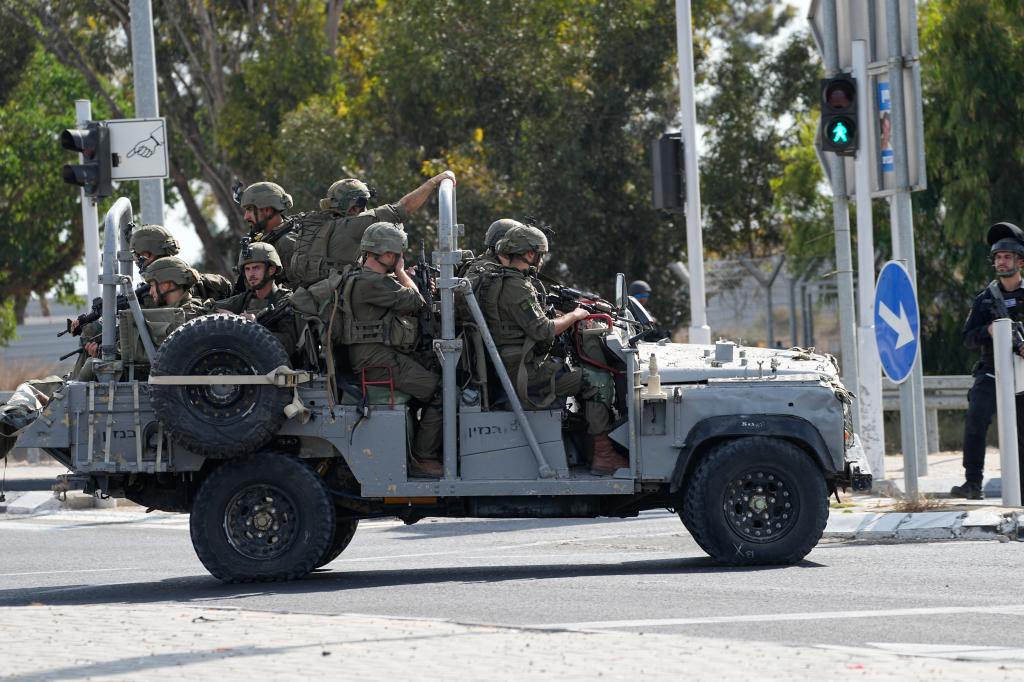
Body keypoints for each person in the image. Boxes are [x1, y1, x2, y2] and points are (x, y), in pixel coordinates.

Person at [482, 225, 628, 475]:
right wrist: (574, 316)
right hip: (525, 371)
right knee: (595, 380)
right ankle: (603, 454)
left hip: (515, 362)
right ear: (528, 254)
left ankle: (589, 444)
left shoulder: (503, 280)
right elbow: (543, 330)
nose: (540, 261)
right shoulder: (516, 287)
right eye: (539, 255)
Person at [342, 222, 443, 478]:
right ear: (388, 254)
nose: (400, 258)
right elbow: (415, 300)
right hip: (377, 361)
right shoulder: (371, 282)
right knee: (443, 391)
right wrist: (402, 273)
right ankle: (423, 457)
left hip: (377, 356)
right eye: (398, 254)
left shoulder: (364, 278)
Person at [289, 170, 456, 288]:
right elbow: (402, 209)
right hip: (336, 300)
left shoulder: (313, 223)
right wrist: (434, 182)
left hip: (309, 297)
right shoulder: (351, 226)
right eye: (362, 204)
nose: (364, 209)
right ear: (354, 207)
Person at [953, 221, 1024, 500]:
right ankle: (972, 483)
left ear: (1020, 260)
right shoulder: (985, 300)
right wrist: (988, 331)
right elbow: (967, 338)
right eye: (998, 257)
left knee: (1022, 433)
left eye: (1007, 256)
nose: (1002, 261)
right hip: (991, 370)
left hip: (1022, 375)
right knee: (975, 421)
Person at [213, 242, 302, 361]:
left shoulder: (286, 302)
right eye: (247, 269)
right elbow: (211, 308)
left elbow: (289, 344)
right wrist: (229, 318)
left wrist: (253, 327)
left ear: (271, 270)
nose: (251, 274)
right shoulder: (244, 299)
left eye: (256, 268)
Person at [235, 181, 298, 291]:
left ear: (267, 210)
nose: (246, 217)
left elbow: (296, 293)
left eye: (249, 209)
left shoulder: (286, 243)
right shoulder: (266, 239)